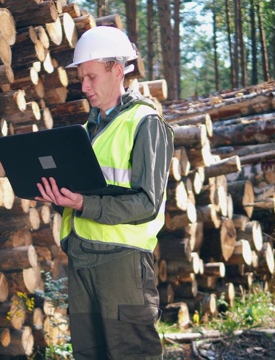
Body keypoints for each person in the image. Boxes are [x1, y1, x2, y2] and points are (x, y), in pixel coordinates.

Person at [35, 26, 174, 359]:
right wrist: (59, 198)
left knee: (131, 354)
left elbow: (147, 203)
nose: (84, 87)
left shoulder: (145, 122)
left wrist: (84, 203)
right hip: (82, 262)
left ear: (116, 71)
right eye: (81, 78)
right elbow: (85, 196)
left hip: (121, 265)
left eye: (91, 77)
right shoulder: (86, 131)